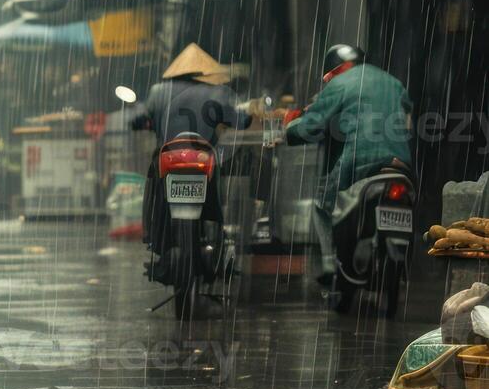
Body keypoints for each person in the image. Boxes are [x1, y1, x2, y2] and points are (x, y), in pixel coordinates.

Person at [281, 44, 413, 279]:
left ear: (335, 69)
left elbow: (310, 126)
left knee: (322, 205)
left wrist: (289, 129)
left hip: (360, 163)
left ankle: (330, 263)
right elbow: (407, 119)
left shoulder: (341, 83)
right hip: (399, 164)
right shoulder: (393, 82)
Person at [130, 44, 253, 261]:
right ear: (203, 72)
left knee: (154, 184)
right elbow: (241, 121)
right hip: (203, 158)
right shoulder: (217, 92)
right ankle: (217, 231)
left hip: (168, 157)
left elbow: (138, 119)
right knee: (215, 190)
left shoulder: (159, 91)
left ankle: (151, 231)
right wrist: (244, 113)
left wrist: (145, 122)